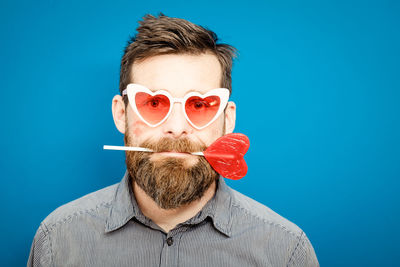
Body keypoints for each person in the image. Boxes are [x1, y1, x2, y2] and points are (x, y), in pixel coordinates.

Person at [28, 14, 319, 266]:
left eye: (199, 105)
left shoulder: (286, 251)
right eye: (154, 103)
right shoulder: (57, 241)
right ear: (121, 113)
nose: (176, 128)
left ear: (228, 120)